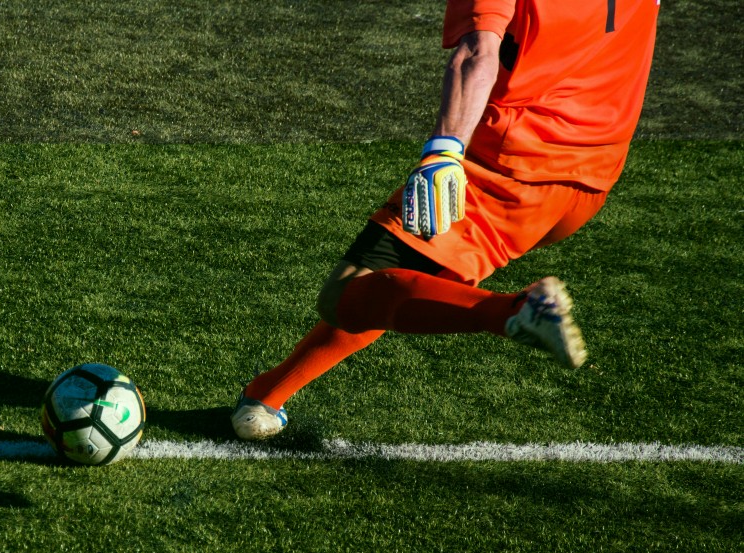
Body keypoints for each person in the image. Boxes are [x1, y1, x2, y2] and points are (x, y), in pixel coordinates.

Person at [232, 0, 661, 440]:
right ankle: (266, 397)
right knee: (391, 279)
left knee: (342, 295)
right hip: (592, 179)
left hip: (510, 165)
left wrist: (445, 149)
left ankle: (512, 311)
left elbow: (478, 52)